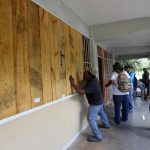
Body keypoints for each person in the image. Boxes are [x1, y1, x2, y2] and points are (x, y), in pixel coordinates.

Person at [69, 68, 110, 142]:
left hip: (95, 104)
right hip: (100, 101)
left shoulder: (92, 83)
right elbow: (83, 88)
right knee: (101, 112)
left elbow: (81, 92)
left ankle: (98, 137)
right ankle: (107, 125)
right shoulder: (93, 80)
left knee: (91, 119)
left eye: (85, 74)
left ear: (90, 75)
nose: (83, 76)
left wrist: (73, 84)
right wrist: (79, 87)